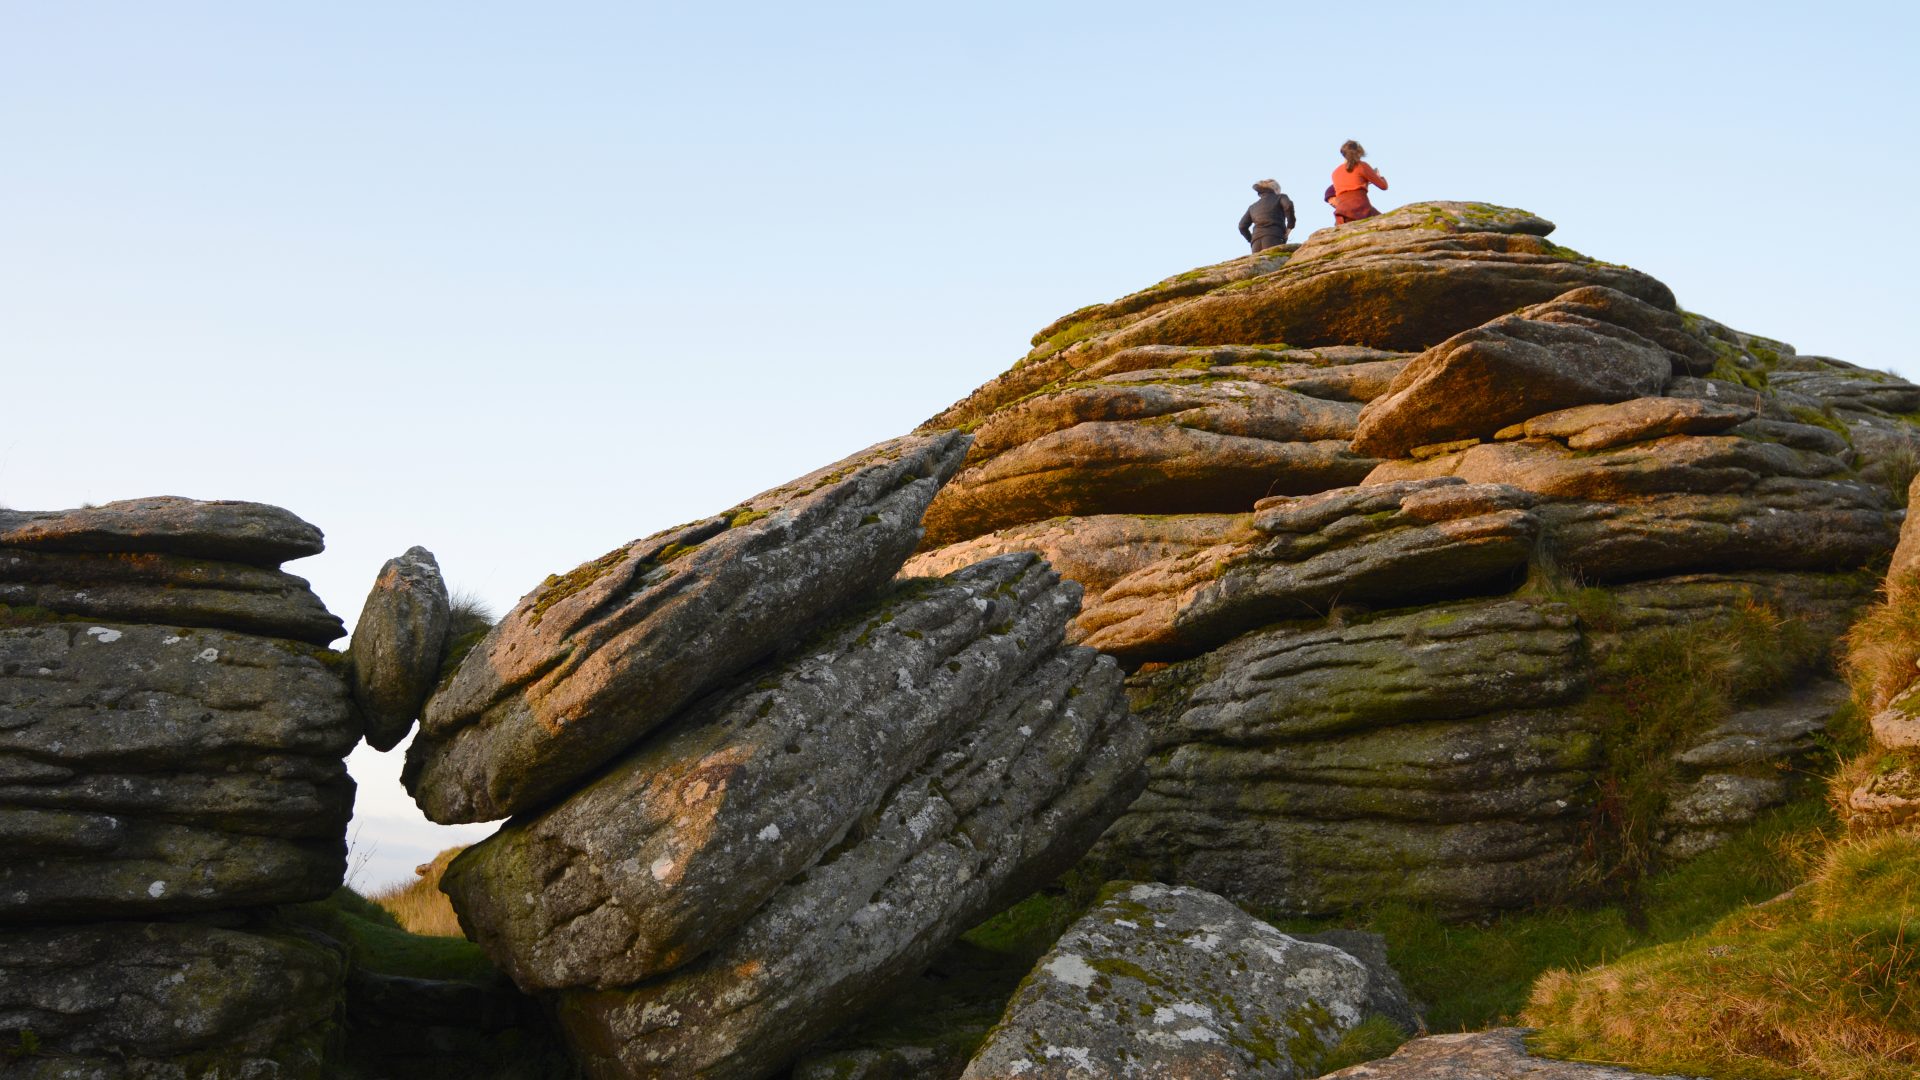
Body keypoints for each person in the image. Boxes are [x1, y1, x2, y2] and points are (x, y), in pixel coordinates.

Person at [1329, 140, 1387, 225]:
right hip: (1361, 209)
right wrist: (1379, 177)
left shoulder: (1335, 172)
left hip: (1342, 212)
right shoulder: (1362, 165)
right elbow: (1383, 186)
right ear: (1359, 152)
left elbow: (1349, 187)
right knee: (1384, 221)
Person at [1237, 179, 1296, 252]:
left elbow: (1242, 226)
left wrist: (1252, 239)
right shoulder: (1280, 197)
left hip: (1256, 243)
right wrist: (1290, 226)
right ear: (1276, 189)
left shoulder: (1252, 207)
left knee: (1260, 263)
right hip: (1274, 236)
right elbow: (1288, 206)